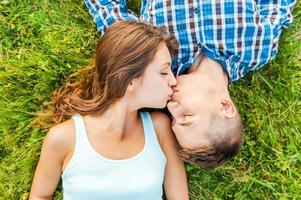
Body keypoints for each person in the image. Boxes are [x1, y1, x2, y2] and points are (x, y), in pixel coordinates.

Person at [84, 0, 296, 167]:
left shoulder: (156, 59)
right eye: (186, 117)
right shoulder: (257, 50)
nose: (171, 107)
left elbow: (110, 15)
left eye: (174, 120)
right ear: (225, 107)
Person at [29, 21, 188, 199]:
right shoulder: (64, 137)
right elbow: (40, 196)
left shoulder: (161, 129)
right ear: (129, 79)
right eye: (164, 72)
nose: (174, 81)